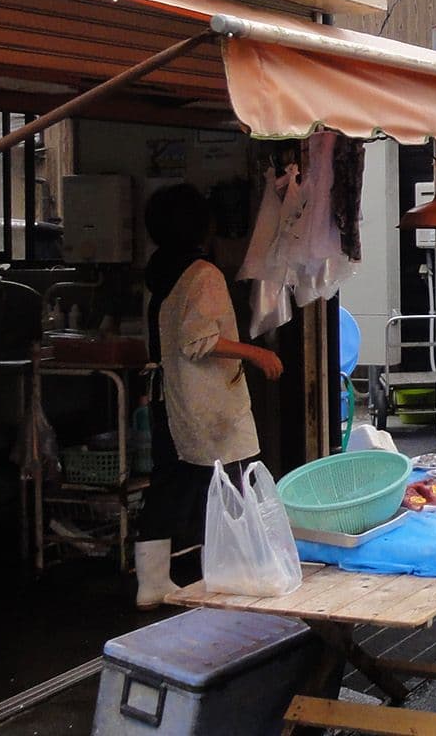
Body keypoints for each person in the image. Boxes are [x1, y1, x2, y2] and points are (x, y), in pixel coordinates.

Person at [135, 183, 285, 609]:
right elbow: (197, 339)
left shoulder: (161, 269)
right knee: (227, 485)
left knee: (170, 485)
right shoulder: (203, 275)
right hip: (206, 400)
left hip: (171, 397)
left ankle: (152, 582)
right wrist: (255, 352)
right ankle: (230, 572)